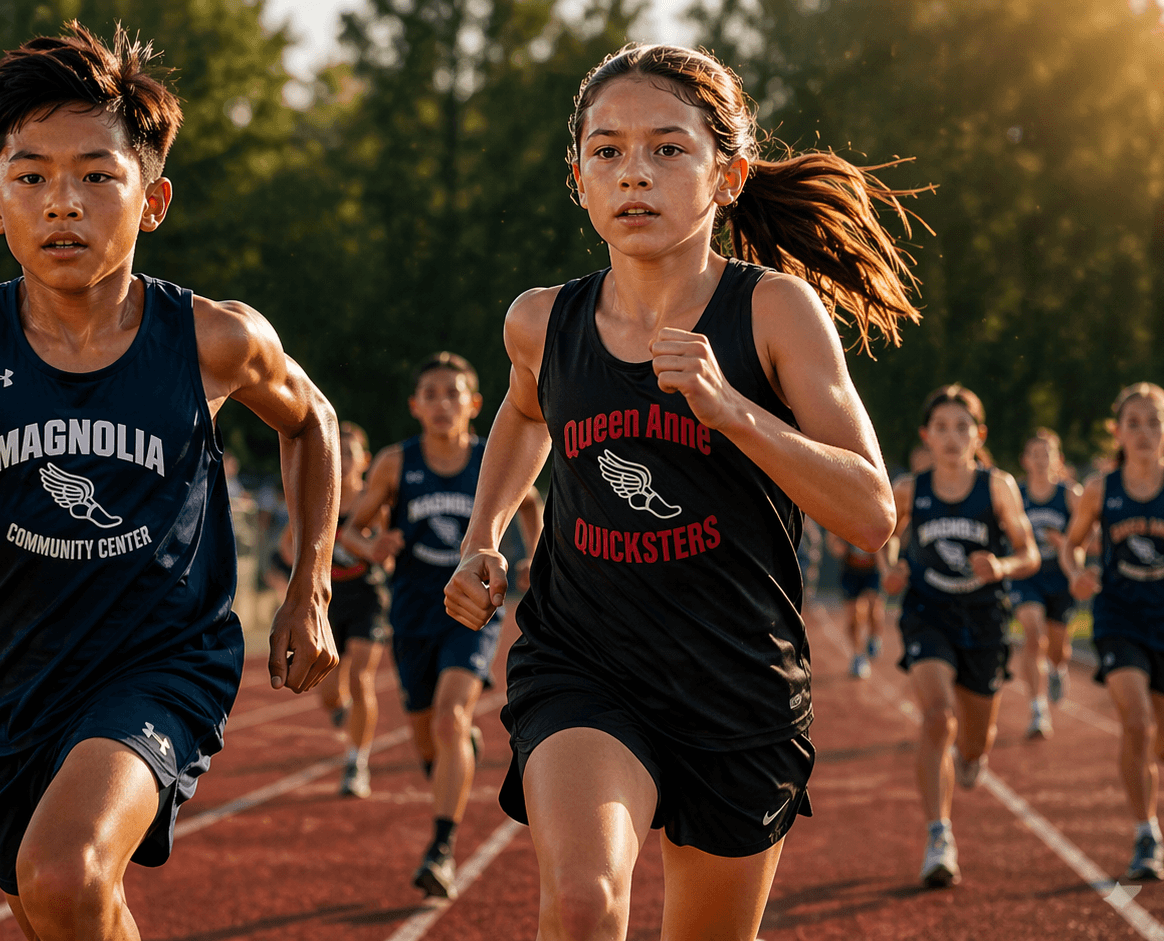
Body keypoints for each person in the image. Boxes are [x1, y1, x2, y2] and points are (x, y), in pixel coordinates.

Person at [0, 25, 340, 941]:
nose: (63, 201)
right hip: (4, 684)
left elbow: (313, 422)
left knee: (66, 870)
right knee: (61, 907)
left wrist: (310, 587)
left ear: (153, 200)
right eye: (32, 177)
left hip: (161, 664)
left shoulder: (213, 339)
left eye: (97, 175)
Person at [443, 42, 921, 940]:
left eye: (668, 148)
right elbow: (523, 411)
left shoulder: (774, 312)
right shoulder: (541, 321)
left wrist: (733, 410)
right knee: (584, 903)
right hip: (585, 662)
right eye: (607, 151)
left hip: (736, 682)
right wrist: (483, 536)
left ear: (727, 176)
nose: (635, 173)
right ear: (579, 179)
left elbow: (870, 513)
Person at [342, 352, 542, 899]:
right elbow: (353, 528)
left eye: (453, 393)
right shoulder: (395, 462)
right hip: (412, 608)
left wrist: (534, 552)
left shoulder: (491, 457)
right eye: (430, 394)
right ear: (414, 406)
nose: (441, 404)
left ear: (474, 404)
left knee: (453, 717)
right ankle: (452, 768)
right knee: (427, 733)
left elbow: (530, 502)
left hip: (473, 605)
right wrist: (372, 546)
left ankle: (441, 849)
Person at [881, 385, 1038, 887]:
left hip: (984, 619)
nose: (952, 437)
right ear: (926, 435)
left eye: (962, 427)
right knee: (937, 718)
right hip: (928, 613)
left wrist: (1003, 566)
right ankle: (938, 836)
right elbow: (886, 538)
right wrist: (892, 567)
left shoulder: (998, 487)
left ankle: (972, 756)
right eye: (942, 427)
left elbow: (1030, 553)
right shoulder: (911, 489)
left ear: (979, 435)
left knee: (973, 741)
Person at [1063, 382, 1164, 882]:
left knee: (1161, 740)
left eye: (1154, 421)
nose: (1144, 432)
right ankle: (1147, 832)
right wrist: (1076, 573)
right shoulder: (1102, 489)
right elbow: (1072, 545)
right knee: (1138, 723)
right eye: (1134, 422)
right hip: (1119, 617)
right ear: (1118, 432)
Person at [279, 421, 391, 798]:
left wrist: (379, 551)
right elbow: (286, 543)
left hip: (368, 597)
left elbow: (387, 549)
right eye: (336, 451)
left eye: (350, 452)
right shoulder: (319, 496)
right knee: (328, 693)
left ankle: (357, 762)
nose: (342, 459)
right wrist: (301, 571)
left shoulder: (373, 502)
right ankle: (344, 712)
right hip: (328, 603)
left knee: (361, 676)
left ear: (365, 460)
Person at [1011, 428, 1081, 739]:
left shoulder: (1071, 494)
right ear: (1025, 460)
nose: (1041, 460)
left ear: (1058, 459)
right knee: (1033, 633)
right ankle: (1037, 708)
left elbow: (1089, 538)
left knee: (1057, 648)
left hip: (1061, 577)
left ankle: (1057, 669)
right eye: (1035, 454)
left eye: (1047, 454)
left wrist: (1066, 543)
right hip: (1028, 577)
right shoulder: (1016, 494)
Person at [830, 531, 887, 678]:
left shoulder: (876, 518)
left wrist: (886, 565)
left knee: (874, 609)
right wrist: (837, 546)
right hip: (850, 570)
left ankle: (874, 637)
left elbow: (890, 537)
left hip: (872, 570)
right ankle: (858, 656)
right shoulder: (845, 519)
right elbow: (832, 540)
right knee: (853, 616)